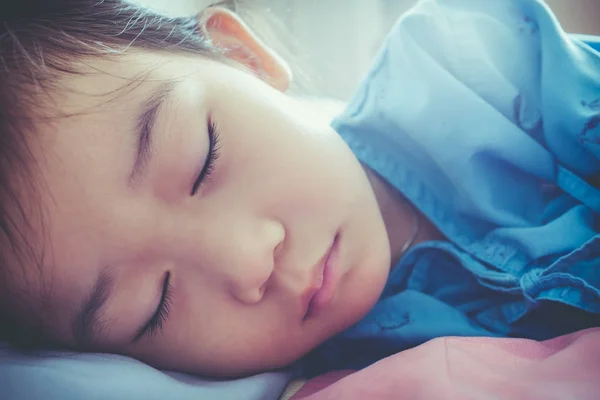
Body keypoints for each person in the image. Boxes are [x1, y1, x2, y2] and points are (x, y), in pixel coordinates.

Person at [0, 0, 597, 379]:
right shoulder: (357, 377)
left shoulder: (470, 63)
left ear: (244, 57)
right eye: (153, 303)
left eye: (203, 161)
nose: (249, 260)